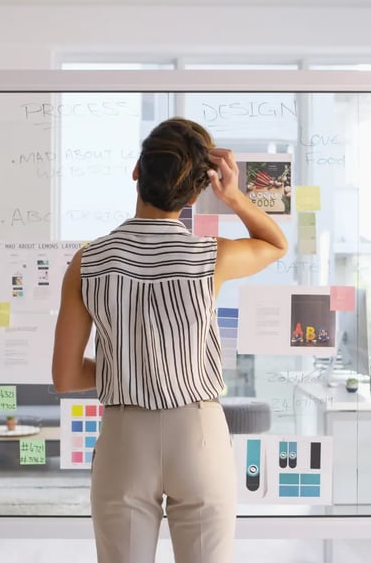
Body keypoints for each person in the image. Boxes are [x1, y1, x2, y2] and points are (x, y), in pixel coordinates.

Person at [52, 117, 288, 563]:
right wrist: (234, 196)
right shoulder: (211, 255)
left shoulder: (87, 262)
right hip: (198, 434)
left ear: (136, 170)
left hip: (124, 438)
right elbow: (276, 244)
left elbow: (65, 376)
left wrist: (131, 365)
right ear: (196, 192)